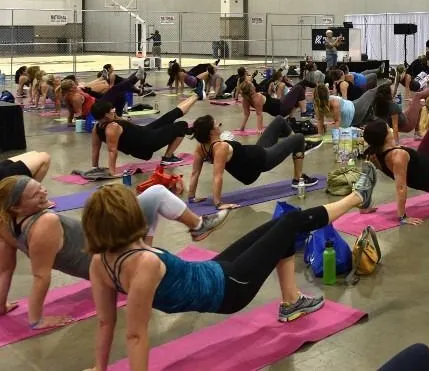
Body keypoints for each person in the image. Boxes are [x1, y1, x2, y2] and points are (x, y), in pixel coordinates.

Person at [82, 171, 377, 370]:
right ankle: (356, 198)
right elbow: (135, 336)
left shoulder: (100, 263)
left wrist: (99, 367)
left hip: (215, 272)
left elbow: (105, 323)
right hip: (231, 289)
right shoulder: (143, 263)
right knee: (291, 221)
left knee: (279, 227)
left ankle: (291, 301)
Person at [0, 175, 228, 331]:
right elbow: (41, 276)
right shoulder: (45, 223)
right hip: (117, 256)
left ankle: (184, 232)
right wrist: (36, 320)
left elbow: (6, 268)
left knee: (150, 203)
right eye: (36, 194)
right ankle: (198, 226)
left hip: (111, 252)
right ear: (17, 207)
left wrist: (1, 305)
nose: (44, 191)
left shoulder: (5, 224)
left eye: (40, 186)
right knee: (157, 193)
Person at [187, 116, 321, 208]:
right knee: (299, 137)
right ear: (211, 132)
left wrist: (191, 197)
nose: (219, 125)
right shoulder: (220, 148)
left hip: (257, 152)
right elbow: (217, 177)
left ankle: (298, 148)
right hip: (261, 161)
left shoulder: (201, 147)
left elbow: (195, 173)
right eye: (216, 124)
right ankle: (298, 178)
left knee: (280, 120)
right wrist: (218, 203)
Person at [363, 119, 429, 219]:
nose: (391, 129)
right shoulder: (397, 157)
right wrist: (402, 216)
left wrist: (364, 206)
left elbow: (366, 180)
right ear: (385, 136)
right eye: (388, 129)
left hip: (425, 164)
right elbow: (401, 188)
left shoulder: (374, 154)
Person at [90, 94, 197, 174]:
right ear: (106, 115)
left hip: (144, 132)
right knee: (182, 125)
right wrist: (112, 172)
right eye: (111, 110)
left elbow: (95, 149)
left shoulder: (97, 127)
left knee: (170, 116)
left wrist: (95, 168)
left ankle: (196, 95)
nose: (114, 110)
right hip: (146, 142)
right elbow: (112, 151)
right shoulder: (112, 128)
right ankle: (167, 158)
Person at [237, 78, 309, 132]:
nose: (253, 84)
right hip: (282, 108)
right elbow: (259, 115)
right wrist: (260, 129)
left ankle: (291, 118)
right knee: (299, 87)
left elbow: (246, 115)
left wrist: (242, 128)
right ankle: (304, 112)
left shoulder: (245, 100)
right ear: (251, 89)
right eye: (252, 84)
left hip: (280, 106)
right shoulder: (257, 98)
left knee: (297, 97)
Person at [313, 83, 380, 131]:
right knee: (371, 92)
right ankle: (386, 83)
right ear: (327, 94)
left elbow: (320, 122)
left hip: (352, 113)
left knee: (372, 109)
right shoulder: (334, 103)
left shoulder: (317, 106)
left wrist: (321, 137)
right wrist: (335, 139)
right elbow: (337, 122)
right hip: (356, 110)